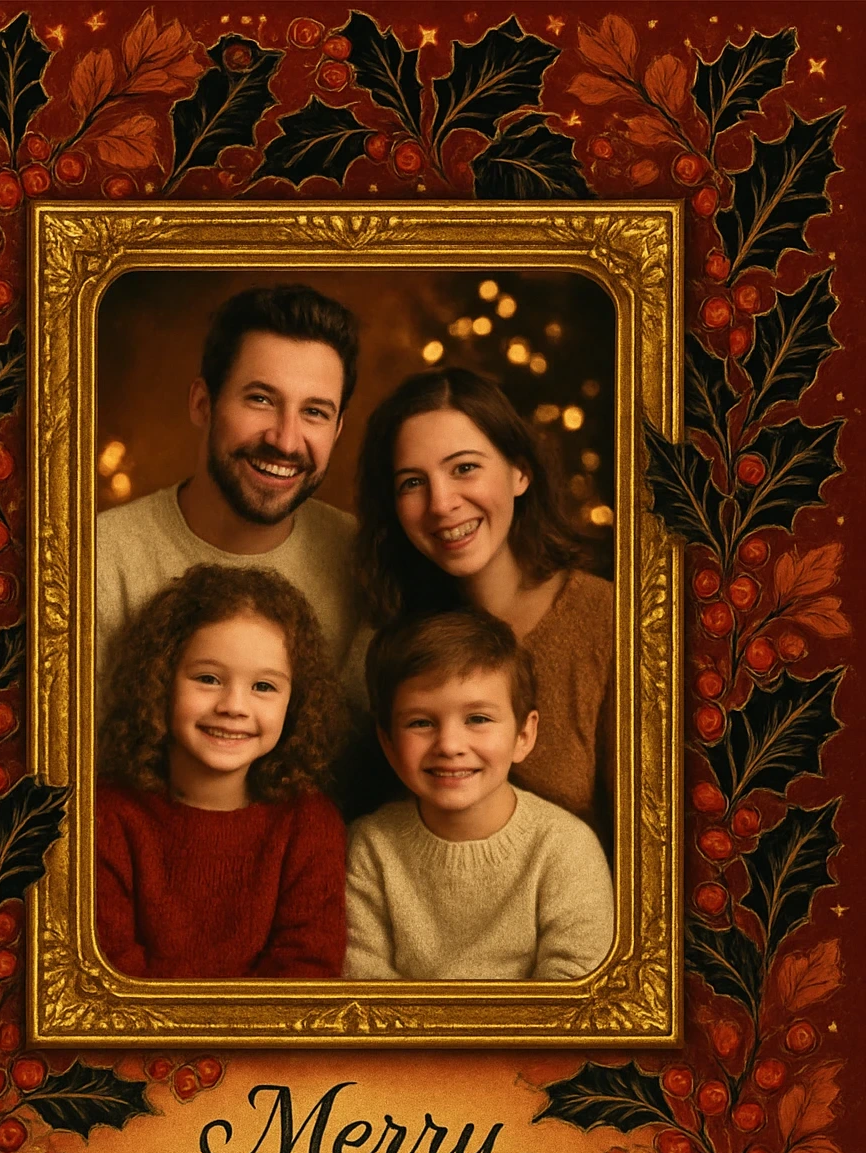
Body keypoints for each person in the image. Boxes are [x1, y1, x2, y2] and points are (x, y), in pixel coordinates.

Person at [355, 367, 614, 846]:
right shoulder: (393, 636)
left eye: (465, 468)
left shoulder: (609, 623)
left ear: (520, 471)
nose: (441, 504)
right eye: (412, 482)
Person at [96, 284, 361, 719]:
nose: (286, 439)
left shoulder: (364, 560)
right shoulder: (100, 559)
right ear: (203, 404)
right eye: (260, 399)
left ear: (336, 429)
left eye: (314, 412)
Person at [96, 565, 346, 979]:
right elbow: (109, 980)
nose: (234, 706)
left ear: (295, 703)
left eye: (263, 687)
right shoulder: (107, 818)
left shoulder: (309, 824)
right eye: (208, 678)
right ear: (160, 681)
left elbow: (305, 976)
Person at [344, 610, 614, 981]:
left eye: (478, 719)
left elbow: (574, 993)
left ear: (523, 735)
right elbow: (362, 983)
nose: (450, 745)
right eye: (420, 723)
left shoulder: (564, 847)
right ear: (388, 744)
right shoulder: (369, 848)